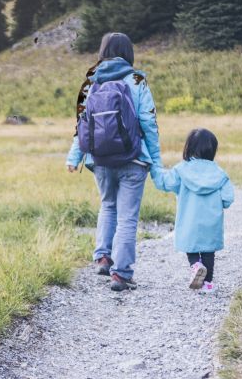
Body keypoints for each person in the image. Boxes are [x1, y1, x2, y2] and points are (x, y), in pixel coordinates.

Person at [66, 32, 163, 292]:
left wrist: (74, 156)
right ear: (129, 52)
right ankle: (121, 274)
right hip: (134, 158)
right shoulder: (137, 79)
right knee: (128, 217)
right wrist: (156, 162)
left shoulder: (90, 81)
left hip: (100, 159)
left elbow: (81, 123)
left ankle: (103, 257)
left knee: (108, 205)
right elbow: (149, 123)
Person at [152, 128, 235, 293]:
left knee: (191, 247)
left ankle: (196, 265)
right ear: (213, 150)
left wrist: (154, 169)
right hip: (211, 223)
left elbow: (165, 183)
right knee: (208, 251)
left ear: (189, 148)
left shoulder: (181, 170)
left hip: (189, 221)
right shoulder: (219, 173)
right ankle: (208, 284)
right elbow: (227, 199)